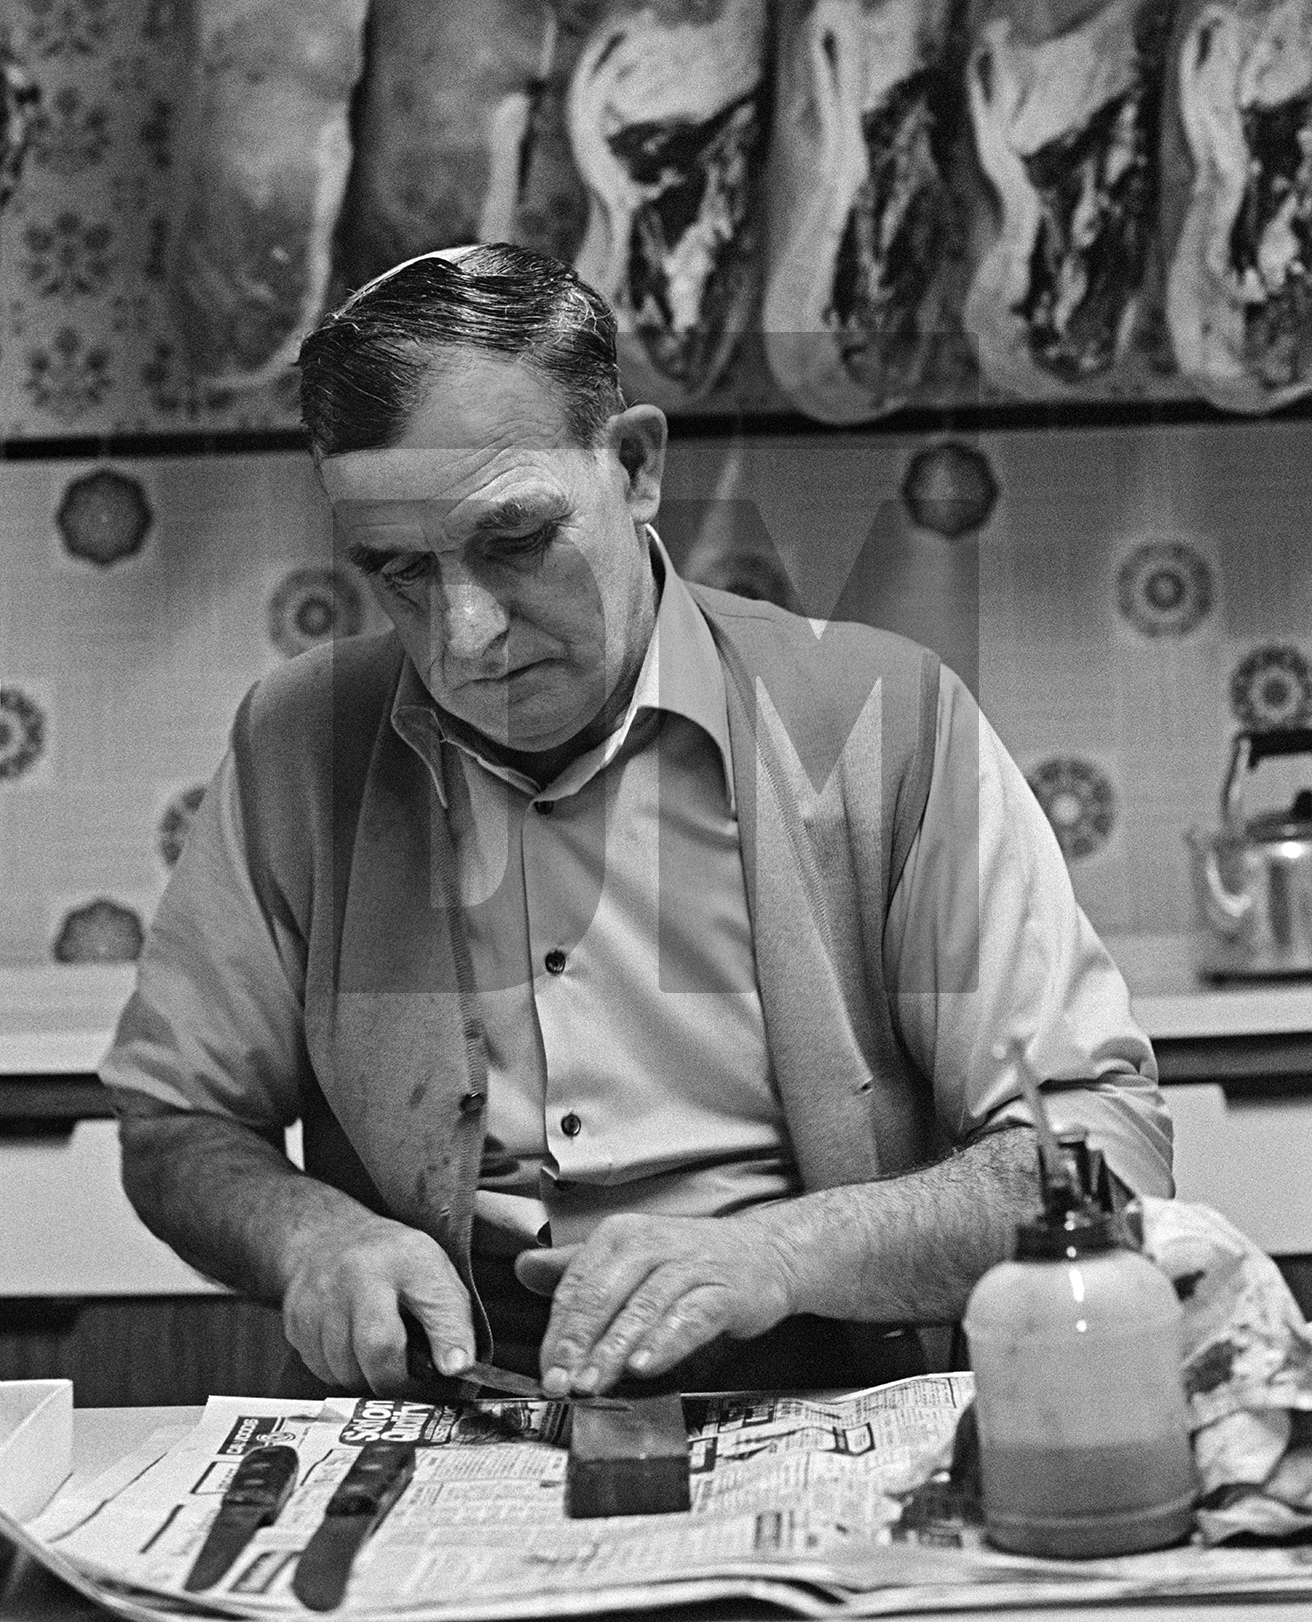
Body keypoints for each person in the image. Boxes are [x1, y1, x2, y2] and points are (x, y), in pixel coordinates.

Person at [102, 242, 1171, 1403]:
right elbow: (178, 1127)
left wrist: (782, 1252)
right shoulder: (298, 740)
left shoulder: (886, 721)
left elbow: (1097, 1152)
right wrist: (310, 1236)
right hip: (445, 1412)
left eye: (513, 542)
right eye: (399, 571)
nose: (464, 634)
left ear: (637, 466)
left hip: (825, 1386)